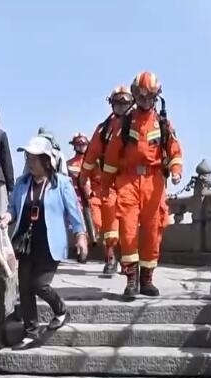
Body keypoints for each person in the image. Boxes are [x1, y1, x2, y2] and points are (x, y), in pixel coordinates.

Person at [100, 71, 184, 299]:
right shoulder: (126, 122)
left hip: (154, 183)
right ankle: (131, 280)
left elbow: (174, 150)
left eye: (149, 97)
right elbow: (111, 156)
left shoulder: (163, 123)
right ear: (135, 96)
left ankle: (147, 279)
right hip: (128, 181)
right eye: (141, 97)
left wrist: (176, 171)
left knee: (152, 233)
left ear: (156, 97)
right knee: (128, 232)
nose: (145, 101)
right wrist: (105, 185)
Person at [0, 136, 88, 350]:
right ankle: (31, 332)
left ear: (47, 161)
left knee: (39, 284)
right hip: (26, 242)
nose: (30, 162)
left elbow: (74, 212)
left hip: (50, 243)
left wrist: (80, 235)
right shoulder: (22, 183)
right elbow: (13, 208)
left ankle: (61, 310)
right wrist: (7, 217)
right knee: (25, 287)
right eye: (28, 158)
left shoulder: (61, 183)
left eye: (34, 159)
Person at [78, 86, 134, 275]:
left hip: (132, 181)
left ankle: (129, 263)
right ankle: (110, 257)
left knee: (129, 223)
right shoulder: (104, 129)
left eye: (125, 102)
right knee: (109, 220)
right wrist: (84, 176)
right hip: (109, 181)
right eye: (117, 102)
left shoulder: (140, 124)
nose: (121, 106)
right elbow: (92, 153)